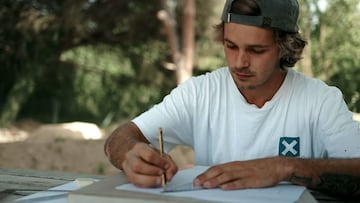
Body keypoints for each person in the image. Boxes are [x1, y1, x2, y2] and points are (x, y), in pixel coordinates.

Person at [104, 0, 360, 198]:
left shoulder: (320, 100)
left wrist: (284, 167)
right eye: (230, 46)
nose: (239, 63)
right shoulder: (200, 93)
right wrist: (131, 153)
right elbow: (120, 138)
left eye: (256, 50)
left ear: (287, 46)